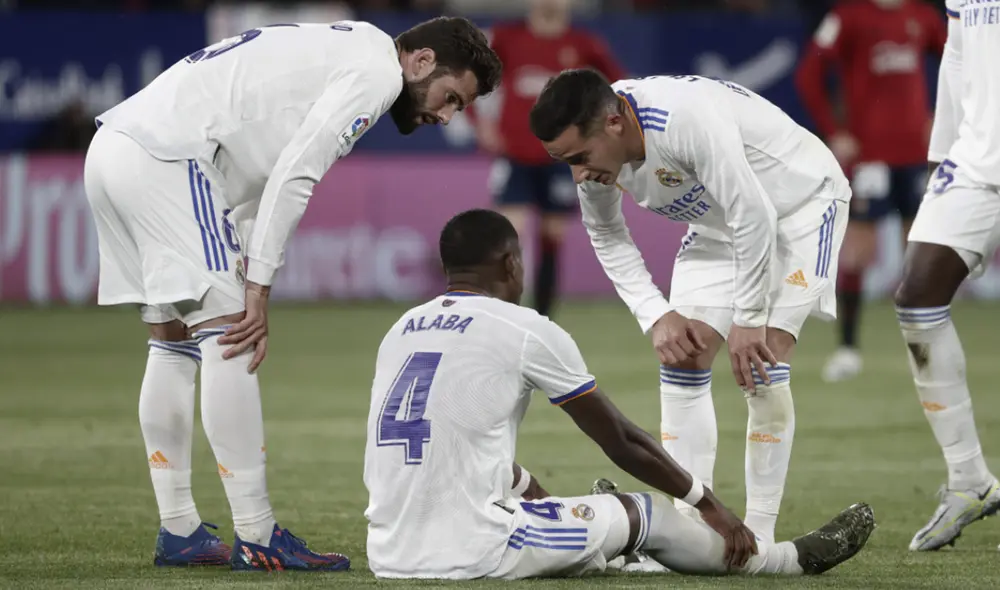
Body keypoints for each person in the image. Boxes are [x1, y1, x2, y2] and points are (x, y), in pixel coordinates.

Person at [83, 18, 502, 571]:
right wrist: (257, 285)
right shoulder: (376, 73)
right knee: (232, 335)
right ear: (421, 62)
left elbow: (264, 169)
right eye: (452, 98)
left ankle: (180, 528)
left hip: (115, 147)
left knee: (173, 339)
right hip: (170, 160)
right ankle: (257, 534)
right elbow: (296, 172)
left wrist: (245, 258)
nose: (445, 115)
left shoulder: (350, 44)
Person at [362, 208, 875, 580]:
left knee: (560, 508)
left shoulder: (400, 330)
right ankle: (782, 561)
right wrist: (707, 502)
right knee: (644, 512)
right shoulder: (523, 328)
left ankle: (603, 547)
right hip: (475, 551)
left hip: (387, 551)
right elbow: (621, 439)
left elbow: (436, 438)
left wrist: (522, 483)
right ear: (511, 264)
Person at [529, 69, 852, 545]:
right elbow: (605, 233)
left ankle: (759, 537)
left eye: (580, 158)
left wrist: (748, 318)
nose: (579, 175)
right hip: (721, 226)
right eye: (565, 163)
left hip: (800, 207)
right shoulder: (596, 154)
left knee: (763, 359)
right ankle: (692, 529)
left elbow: (755, 213)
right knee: (684, 355)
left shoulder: (683, 119)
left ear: (614, 124)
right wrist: (655, 314)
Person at [894, 0, 1000, 551]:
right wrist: (942, 153)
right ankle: (969, 481)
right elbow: (956, 56)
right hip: (977, 158)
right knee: (917, 297)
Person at [795, 0, 946, 383]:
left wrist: (943, 119)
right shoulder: (849, 16)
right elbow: (809, 74)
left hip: (916, 156)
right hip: (871, 157)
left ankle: (924, 351)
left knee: (923, 258)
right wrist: (834, 131)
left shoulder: (922, 17)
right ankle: (847, 350)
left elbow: (959, 66)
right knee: (858, 254)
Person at [472, 0, 624, 318]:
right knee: (510, 234)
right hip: (514, 155)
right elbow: (471, 75)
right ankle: (504, 316)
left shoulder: (583, 45)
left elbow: (621, 89)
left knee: (552, 236)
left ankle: (543, 319)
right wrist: (479, 123)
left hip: (560, 158)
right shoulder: (506, 38)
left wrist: (598, 137)